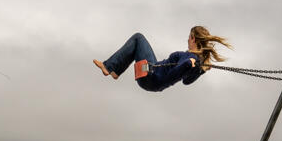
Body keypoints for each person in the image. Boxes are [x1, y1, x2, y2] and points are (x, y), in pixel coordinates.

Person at [94, 26, 231, 92]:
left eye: (189, 37)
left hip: (151, 76)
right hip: (154, 77)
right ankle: (114, 70)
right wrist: (201, 71)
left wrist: (188, 64)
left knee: (138, 37)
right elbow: (187, 81)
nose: (187, 40)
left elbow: (173, 75)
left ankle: (110, 67)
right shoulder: (194, 61)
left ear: (193, 39)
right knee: (138, 40)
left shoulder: (190, 58)